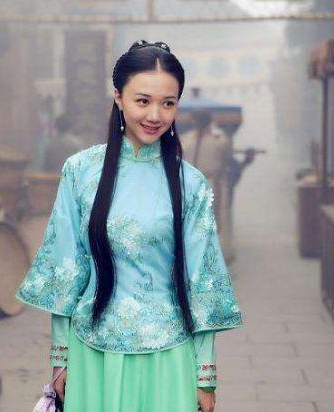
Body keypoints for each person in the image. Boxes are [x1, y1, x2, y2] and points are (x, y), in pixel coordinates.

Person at [16, 40, 243, 412]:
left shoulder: (191, 184)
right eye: (143, 101)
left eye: (168, 103)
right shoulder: (80, 172)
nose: (155, 114)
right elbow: (65, 270)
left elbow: (202, 282)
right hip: (93, 354)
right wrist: (60, 359)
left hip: (169, 356)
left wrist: (205, 376)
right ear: (119, 98)